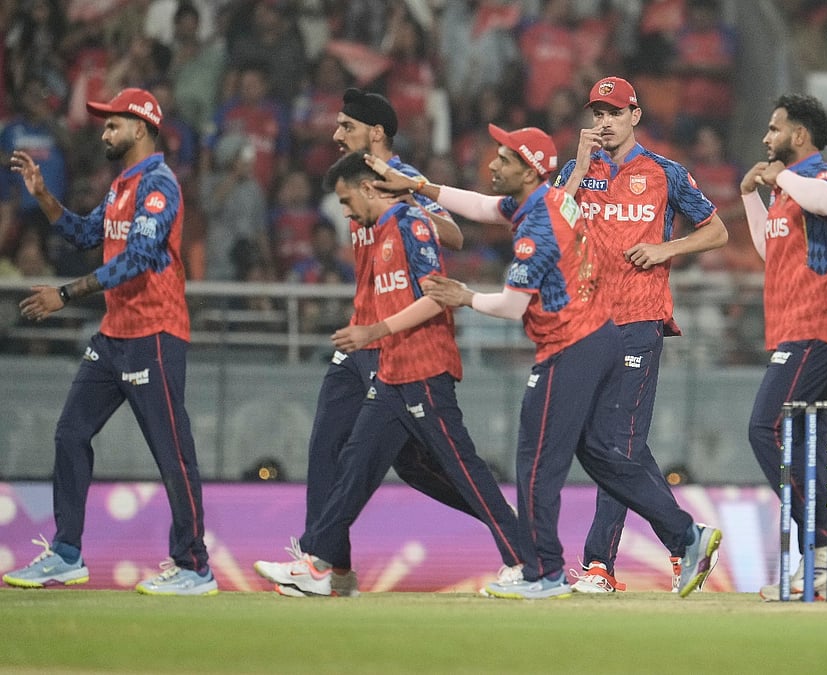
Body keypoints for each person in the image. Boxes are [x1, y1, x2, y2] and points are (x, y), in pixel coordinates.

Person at [378, 124, 722, 599]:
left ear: (527, 170)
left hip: (572, 344)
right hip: (601, 336)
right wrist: (418, 186)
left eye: (503, 160)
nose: (492, 166)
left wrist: (464, 296)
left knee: (537, 457)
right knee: (604, 455)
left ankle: (545, 572)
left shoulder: (539, 225)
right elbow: (479, 206)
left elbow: (513, 307)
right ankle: (687, 536)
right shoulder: (547, 201)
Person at [268, 88, 516, 598]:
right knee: (327, 445)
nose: (336, 134)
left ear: (374, 132)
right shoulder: (350, 182)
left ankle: (515, 533)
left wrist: (410, 204)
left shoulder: (399, 180)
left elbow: (456, 239)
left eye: (346, 126)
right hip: (359, 333)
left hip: (392, 338)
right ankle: (329, 567)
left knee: (413, 464)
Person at [3, 88, 216, 595]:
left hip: (155, 335)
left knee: (172, 453)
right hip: (115, 335)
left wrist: (66, 293)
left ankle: (193, 566)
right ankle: (67, 554)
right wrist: (43, 195)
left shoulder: (159, 185)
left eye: (112, 124)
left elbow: (139, 258)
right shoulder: (123, 185)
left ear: (140, 127)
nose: (103, 132)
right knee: (70, 434)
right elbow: (82, 235)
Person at [555, 75, 728, 593]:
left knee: (617, 446)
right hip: (587, 324)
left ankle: (601, 567)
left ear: (634, 115)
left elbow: (717, 231)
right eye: (596, 113)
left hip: (638, 319)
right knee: (612, 443)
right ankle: (684, 542)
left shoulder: (665, 173)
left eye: (612, 112)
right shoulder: (577, 172)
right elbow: (552, 228)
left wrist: (664, 250)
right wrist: (579, 168)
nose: (603, 122)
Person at [739, 94, 827, 601]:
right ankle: (820, 564)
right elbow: (770, 252)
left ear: (799, 136)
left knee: (764, 427)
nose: (766, 139)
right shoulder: (789, 191)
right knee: (806, 448)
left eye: (774, 129)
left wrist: (776, 177)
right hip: (794, 326)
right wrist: (750, 195)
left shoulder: (822, 176)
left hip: (818, 322)